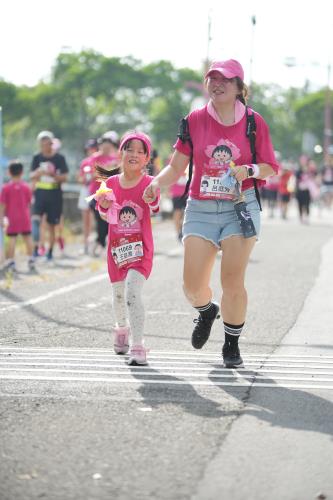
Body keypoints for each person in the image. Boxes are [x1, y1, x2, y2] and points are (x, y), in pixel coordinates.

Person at [143, 59, 279, 368]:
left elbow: (271, 167)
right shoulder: (194, 120)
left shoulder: (254, 123)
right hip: (201, 206)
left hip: (239, 207)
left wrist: (250, 170)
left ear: (239, 87)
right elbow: (177, 166)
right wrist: (156, 183)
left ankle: (231, 344)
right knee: (192, 286)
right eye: (212, 79)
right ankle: (206, 311)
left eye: (225, 80)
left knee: (232, 280)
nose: (217, 84)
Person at [95, 131, 160, 365]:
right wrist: (103, 206)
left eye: (139, 152)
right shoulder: (109, 184)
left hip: (141, 252)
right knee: (119, 294)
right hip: (116, 250)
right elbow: (106, 216)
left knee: (133, 292)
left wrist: (152, 197)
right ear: (120, 154)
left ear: (146, 159)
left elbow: (154, 206)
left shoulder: (150, 183)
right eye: (128, 149)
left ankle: (138, 345)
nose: (134, 154)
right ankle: (121, 329)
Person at [30, 130, 69, 261]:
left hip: (54, 195)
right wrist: (39, 173)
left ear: (51, 144)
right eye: (41, 144)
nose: (43, 147)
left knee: (52, 225)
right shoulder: (37, 157)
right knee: (36, 220)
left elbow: (65, 177)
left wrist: (53, 174)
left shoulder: (59, 158)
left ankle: (50, 252)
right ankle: (35, 249)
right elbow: (31, 176)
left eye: (46, 144)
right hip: (40, 193)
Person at [89, 131, 120, 257]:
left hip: (111, 196)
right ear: (100, 145)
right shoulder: (95, 158)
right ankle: (100, 244)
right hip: (96, 195)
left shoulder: (116, 158)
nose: (106, 148)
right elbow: (93, 175)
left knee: (110, 222)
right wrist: (107, 170)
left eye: (109, 145)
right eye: (104, 145)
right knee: (100, 221)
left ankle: (104, 245)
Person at [0, 161, 35, 272]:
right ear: (22, 172)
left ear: (9, 172)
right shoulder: (26, 187)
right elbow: (29, 203)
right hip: (25, 217)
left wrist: (1, 218)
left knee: (12, 239)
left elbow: (2, 205)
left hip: (11, 218)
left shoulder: (6, 188)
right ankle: (31, 259)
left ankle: (10, 261)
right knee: (28, 238)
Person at [77, 138, 99, 254]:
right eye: (89, 148)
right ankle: (86, 244)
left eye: (93, 148)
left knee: (97, 219)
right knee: (85, 219)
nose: (91, 151)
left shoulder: (99, 160)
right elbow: (79, 178)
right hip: (86, 190)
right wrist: (85, 179)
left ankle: (97, 243)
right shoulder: (84, 162)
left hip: (97, 190)